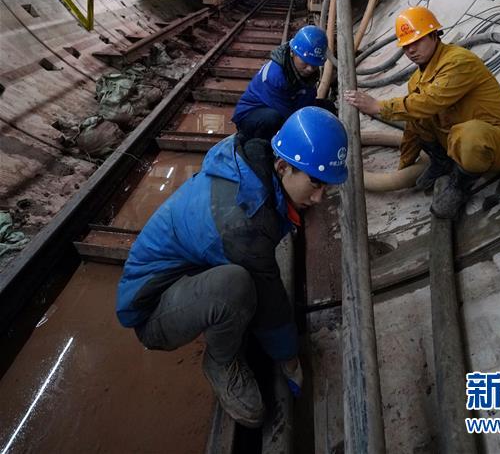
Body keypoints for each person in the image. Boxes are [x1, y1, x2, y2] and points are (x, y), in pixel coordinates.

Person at [116, 106, 348, 428]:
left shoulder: (253, 165)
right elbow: (269, 297)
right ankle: (220, 362)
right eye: (315, 184)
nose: (320, 198)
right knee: (235, 287)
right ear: (283, 166)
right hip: (151, 308)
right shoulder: (244, 221)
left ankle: (219, 317)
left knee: (244, 286)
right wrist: (289, 358)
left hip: (188, 271)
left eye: (326, 187)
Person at [344, 6, 500, 220]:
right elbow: (413, 122)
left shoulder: (459, 61)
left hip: (495, 144)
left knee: (469, 135)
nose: (411, 50)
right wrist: (405, 166)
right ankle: (441, 162)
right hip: (453, 143)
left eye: (417, 41)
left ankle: (459, 186)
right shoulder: (416, 80)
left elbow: (429, 101)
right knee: (416, 115)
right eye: (406, 46)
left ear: (434, 35)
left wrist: (379, 107)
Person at [232, 25, 332, 141]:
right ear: (293, 53)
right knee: (273, 118)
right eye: (305, 62)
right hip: (251, 116)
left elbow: (308, 102)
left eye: (314, 64)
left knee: (327, 108)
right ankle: (262, 146)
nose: (310, 69)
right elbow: (289, 117)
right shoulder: (275, 75)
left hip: (287, 107)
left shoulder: (307, 71)